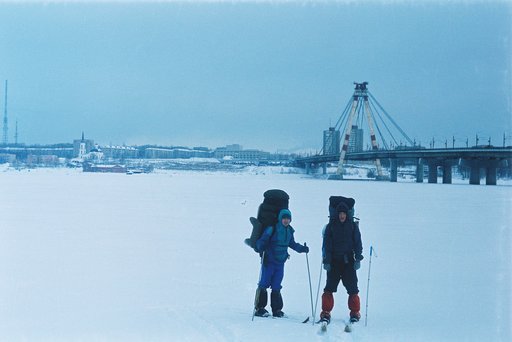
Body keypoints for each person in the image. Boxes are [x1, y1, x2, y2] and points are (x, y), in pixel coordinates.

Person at [254, 208, 309, 318]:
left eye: (288, 219)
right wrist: (261, 246)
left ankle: (277, 310)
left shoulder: (290, 231)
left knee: (276, 285)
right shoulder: (272, 229)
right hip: (269, 261)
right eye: (284, 218)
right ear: (280, 218)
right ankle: (260, 308)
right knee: (264, 283)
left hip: (280, 263)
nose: (286, 220)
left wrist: (302, 249)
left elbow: (292, 244)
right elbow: (262, 241)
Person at [320, 202, 363, 324]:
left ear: (347, 214)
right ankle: (326, 312)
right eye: (340, 213)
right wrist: (327, 260)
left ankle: (355, 312)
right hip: (334, 261)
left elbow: (357, 242)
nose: (342, 216)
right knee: (329, 287)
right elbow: (327, 245)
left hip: (349, 261)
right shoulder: (331, 226)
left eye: (344, 213)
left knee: (353, 288)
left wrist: (358, 257)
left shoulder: (353, 226)